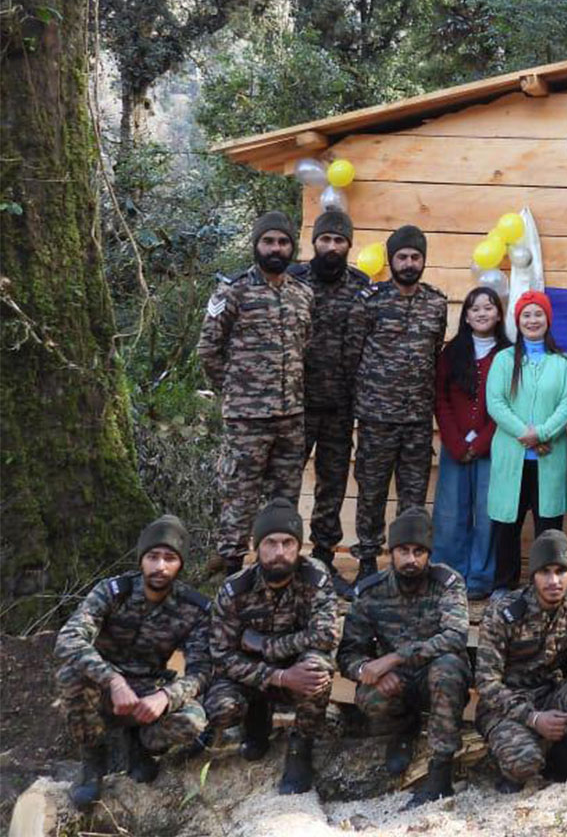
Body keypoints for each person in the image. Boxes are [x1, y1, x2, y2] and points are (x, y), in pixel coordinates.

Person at [55, 516, 211, 810]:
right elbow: (68, 639)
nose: (160, 566)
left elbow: (202, 671)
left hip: (148, 691)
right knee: (71, 676)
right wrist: (113, 680)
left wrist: (165, 697)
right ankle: (92, 762)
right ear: (141, 560)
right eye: (153, 557)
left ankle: (140, 745)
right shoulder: (113, 592)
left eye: (170, 558)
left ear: (180, 564)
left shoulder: (193, 608)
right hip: (103, 688)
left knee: (193, 720)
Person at [197, 210, 314, 577]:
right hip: (247, 419)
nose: (275, 248)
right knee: (240, 495)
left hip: (290, 416)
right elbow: (208, 349)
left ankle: (280, 568)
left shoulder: (302, 294)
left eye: (283, 242)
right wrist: (236, 390)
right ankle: (231, 570)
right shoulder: (232, 291)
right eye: (268, 241)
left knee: (285, 498)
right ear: (256, 245)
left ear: (292, 247)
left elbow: (304, 346)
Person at [336, 507, 470, 807]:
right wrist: (368, 670)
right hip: (397, 681)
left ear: (429, 554)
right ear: (391, 552)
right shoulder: (371, 591)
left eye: (419, 551)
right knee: (369, 696)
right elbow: (347, 653)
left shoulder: (447, 583)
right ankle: (402, 729)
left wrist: (395, 658)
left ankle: (441, 769)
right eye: (403, 551)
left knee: (448, 668)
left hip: (436, 674)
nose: (411, 559)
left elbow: (455, 636)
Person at [475, 531, 567, 791]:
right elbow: (486, 683)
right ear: (533, 575)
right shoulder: (504, 612)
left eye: (561, 571)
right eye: (545, 572)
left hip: (549, 694)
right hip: (505, 707)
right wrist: (533, 719)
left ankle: (563, 753)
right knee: (525, 764)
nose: (554, 581)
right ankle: (506, 756)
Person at [206, 499, 337, 795]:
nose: (280, 552)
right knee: (220, 707)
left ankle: (301, 747)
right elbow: (222, 655)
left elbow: (326, 636)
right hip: (253, 676)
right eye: (271, 543)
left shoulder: (314, 578)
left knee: (318, 668)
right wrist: (278, 676)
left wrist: (266, 644)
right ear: (256, 547)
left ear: (299, 546)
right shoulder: (235, 590)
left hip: (297, 671)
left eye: (288, 543)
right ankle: (255, 722)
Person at [348, 225, 450, 581]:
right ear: (391, 260)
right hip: (376, 417)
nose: (409, 263)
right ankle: (366, 562)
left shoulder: (436, 303)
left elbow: (433, 353)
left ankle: (409, 564)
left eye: (415, 257)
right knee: (371, 493)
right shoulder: (370, 301)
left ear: (424, 261)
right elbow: (353, 354)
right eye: (402, 257)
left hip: (417, 420)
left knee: (413, 498)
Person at [288, 208, 370, 593]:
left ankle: (323, 561)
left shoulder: (362, 286)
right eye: (326, 239)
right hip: (296, 407)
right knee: (286, 486)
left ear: (348, 245)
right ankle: (285, 562)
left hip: (340, 407)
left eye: (339, 240)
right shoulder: (293, 281)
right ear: (314, 242)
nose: (332, 246)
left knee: (332, 486)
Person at [486, 290, 567, 589]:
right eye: (526, 315)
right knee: (506, 525)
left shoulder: (564, 362)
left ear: (548, 319)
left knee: (548, 528)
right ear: (517, 320)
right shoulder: (503, 360)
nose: (532, 320)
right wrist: (527, 434)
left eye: (538, 314)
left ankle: (546, 588)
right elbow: (496, 402)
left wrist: (543, 433)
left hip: (549, 457)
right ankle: (504, 586)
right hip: (512, 456)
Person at [433, 286, 510, 599]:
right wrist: (455, 441)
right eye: (475, 308)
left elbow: (508, 404)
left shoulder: (508, 354)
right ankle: (448, 576)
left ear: (499, 314)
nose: (482, 313)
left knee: (487, 514)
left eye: (488, 307)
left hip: (492, 447)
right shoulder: (451, 353)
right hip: (454, 447)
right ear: (466, 316)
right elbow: (441, 399)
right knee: (451, 513)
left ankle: (480, 578)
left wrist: (480, 443)